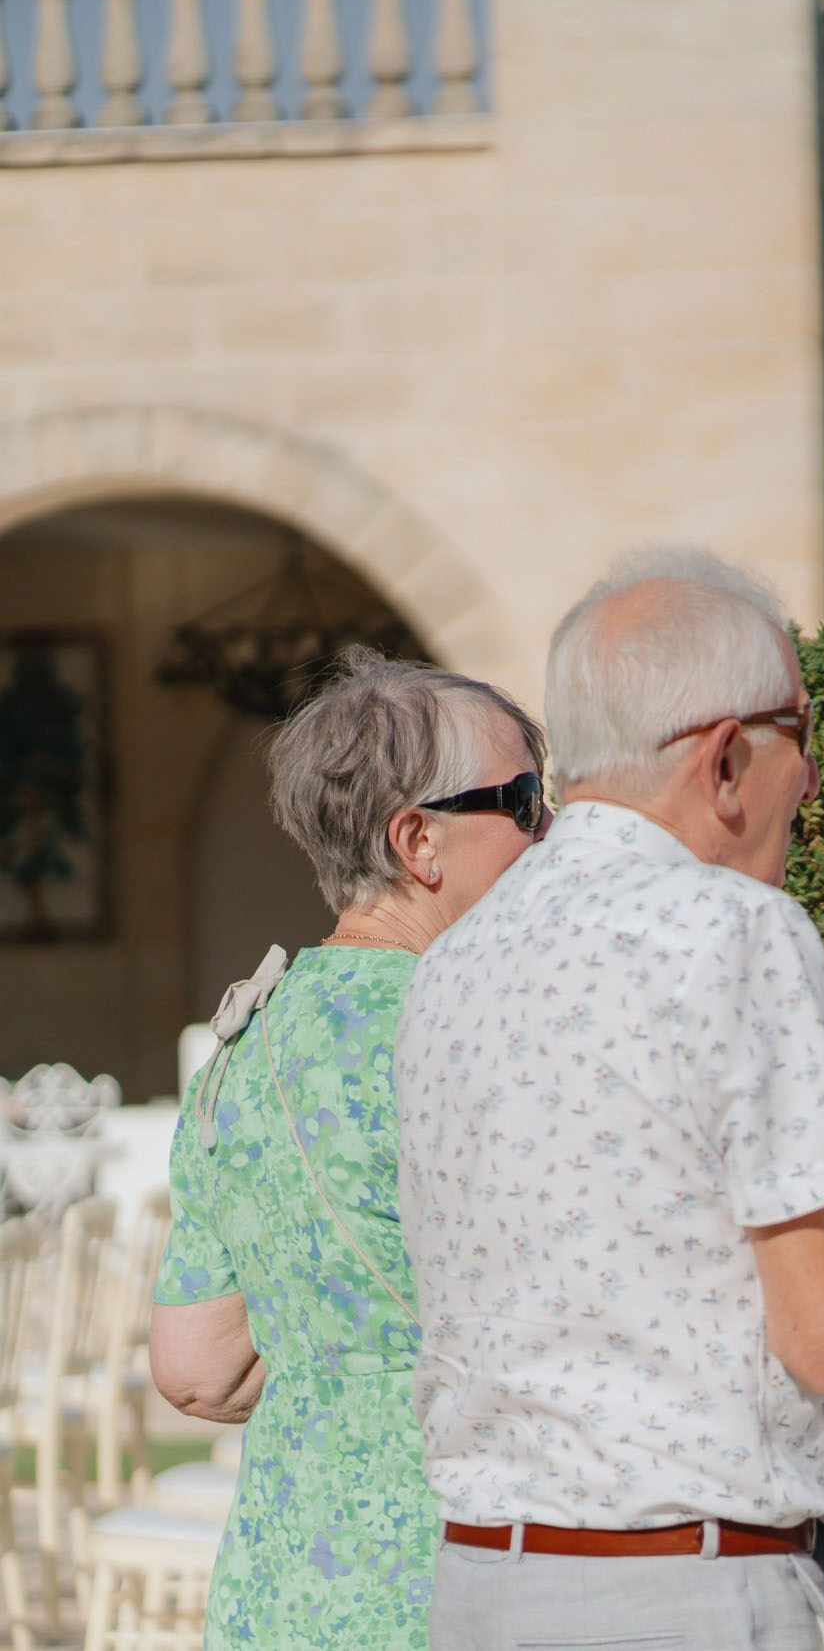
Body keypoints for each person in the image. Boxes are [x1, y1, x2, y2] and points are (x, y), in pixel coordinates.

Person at [393, 549, 824, 1651]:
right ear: (729, 755)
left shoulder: (454, 960)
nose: (816, 780)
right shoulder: (736, 927)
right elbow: (822, 1335)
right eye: (804, 734)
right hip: (682, 1591)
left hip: (479, 1585)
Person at [150, 648, 550, 1651]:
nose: (551, 832)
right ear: (417, 839)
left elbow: (194, 1368)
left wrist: (342, 1371)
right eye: (525, 799)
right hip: (467, 1578)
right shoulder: (479, 1034)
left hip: (283, 1588)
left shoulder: (241, 1049)